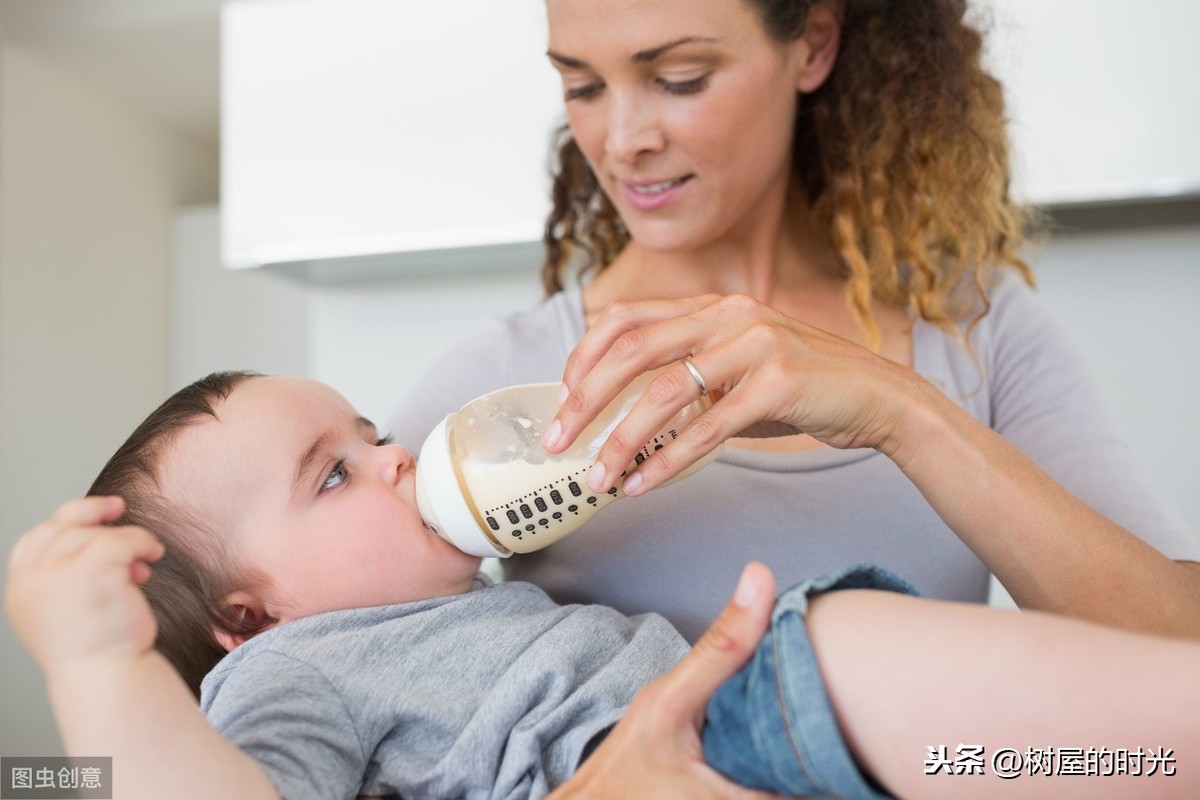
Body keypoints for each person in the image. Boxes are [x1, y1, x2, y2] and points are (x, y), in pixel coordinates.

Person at [386, 0, 1200, 645]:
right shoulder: (494, 392)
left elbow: (1179, 656)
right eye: (582, 86)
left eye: (679, 77)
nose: (622, 140)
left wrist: (900, 413)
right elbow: (326, 671)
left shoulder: (977, 332)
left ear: (812, 43)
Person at [7, 372, 1198, 800]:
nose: (396, 455)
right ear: (247, 618)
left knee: (1101, 757)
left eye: (367, 429)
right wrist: (99, 670)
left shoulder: (451, 594)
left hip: (767, 725)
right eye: (335, 475)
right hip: (749, 715)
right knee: (870, 650)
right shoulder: (289, 671)